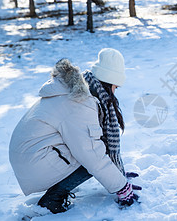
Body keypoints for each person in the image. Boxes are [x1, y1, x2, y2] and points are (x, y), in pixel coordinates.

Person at [9, 48, 140, 214]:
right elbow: (92, 154)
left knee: (92, 149)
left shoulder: (78, 92)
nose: (115, 93)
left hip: (31, 156)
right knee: (93, 153)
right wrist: (121, 186)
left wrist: (116, 175)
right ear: (108, 83)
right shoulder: (81, 102)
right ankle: (53, 199)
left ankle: (57, 191)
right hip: (34, 161)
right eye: (116, 87)